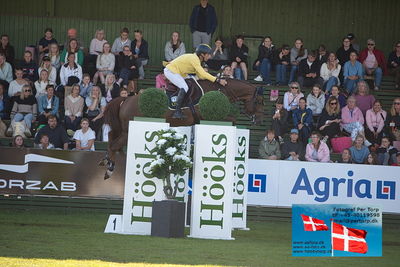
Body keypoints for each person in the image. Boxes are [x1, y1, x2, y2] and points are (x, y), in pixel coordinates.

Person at [163, 44, 227, 119]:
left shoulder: (197, 60)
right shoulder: (194, 59)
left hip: (179, 72)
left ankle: (186, 104)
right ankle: (177, 112)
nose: (209, 56)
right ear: (202, 54)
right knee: (184, 87)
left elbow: (200, 76)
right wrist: (217, 80)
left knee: (192, 81)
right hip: (170, 71)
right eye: (208, 55)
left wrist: (213, 77)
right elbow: (203, 74)